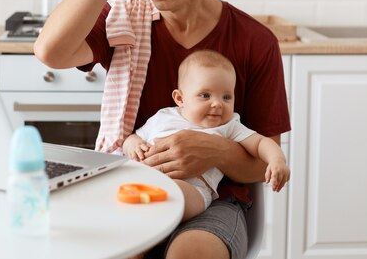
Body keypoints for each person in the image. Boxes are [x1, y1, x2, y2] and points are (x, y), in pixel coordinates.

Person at [34, 0, 291, 259]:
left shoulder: (255, 41)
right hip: (136, 186)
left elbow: (265, 161)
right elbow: (50, 51)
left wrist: (215, 151)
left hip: (215, 201)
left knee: (190, 252)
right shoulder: (126, 22)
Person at [123, 50, 290, 223]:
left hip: (192, 190)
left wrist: (277, 160)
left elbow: (261, 143)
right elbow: (132, 138)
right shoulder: (163, 117)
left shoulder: (229, 126)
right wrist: (134, 145)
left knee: (172, 194)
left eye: (226, 97)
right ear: (180, 98)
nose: (217, 104)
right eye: (205, 95)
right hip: (144, 182)